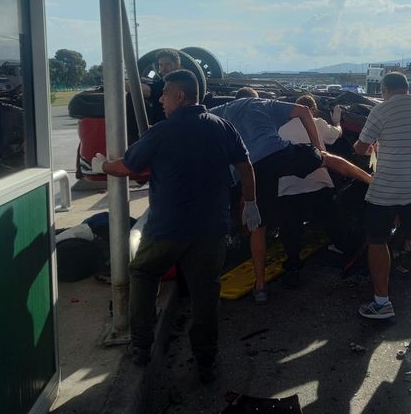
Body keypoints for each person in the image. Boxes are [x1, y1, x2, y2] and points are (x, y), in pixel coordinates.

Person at [93, 69, 260, 383]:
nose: (161, 99)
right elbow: (245, 165)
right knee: (205, 292)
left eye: (165, 93)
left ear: (180, 96)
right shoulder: (222, 127)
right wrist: (249, 202)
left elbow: (128, 167)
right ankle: (206, 362)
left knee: (142, 272)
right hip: (211, 229)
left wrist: (100, 164)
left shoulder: (162, 132)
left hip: (168, 228)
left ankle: (142, 347)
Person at [210, 87, 371, 304]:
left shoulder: (219, 111)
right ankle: (374, 182)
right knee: (329, 159)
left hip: (247, 171)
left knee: (258, 226)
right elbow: (304, 110)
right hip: (275, 154)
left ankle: (260, 288)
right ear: (253, 98)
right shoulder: (261, 104)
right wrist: (317, 149)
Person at [353, 72, 411, 319]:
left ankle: (382, 304)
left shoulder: (380, 110)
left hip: (387, 189)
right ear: (407, 88)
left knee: (377, 241)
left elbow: (361, 147)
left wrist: (369, 145)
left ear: (384, 89)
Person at [276, 95, 345, 287]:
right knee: (332, 221)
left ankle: (293, 267)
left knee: (291, 230)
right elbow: (337, 134)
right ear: (313, 110)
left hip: (289, 186)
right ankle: (345, 253)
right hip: (319, 182)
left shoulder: (280, 128)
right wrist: (337, 121)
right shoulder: (318, 123)